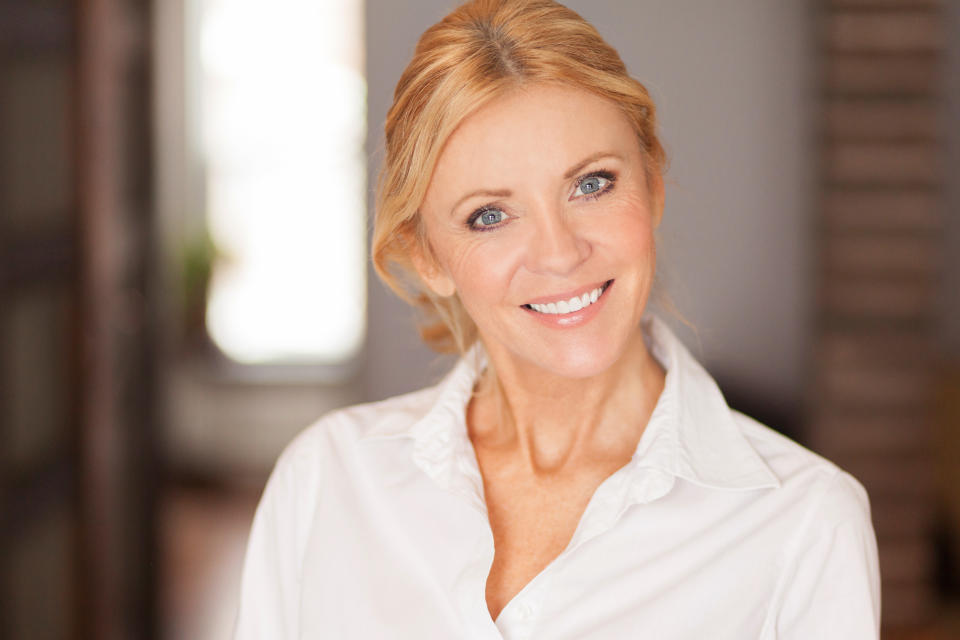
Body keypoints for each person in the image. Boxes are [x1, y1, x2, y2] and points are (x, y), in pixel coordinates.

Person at [233, 1, 880, 638]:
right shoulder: (328, 481)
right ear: (427, 257)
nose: (560, 252)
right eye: (489, 214)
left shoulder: (804, 522)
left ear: (651, 185)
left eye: (592, 184)